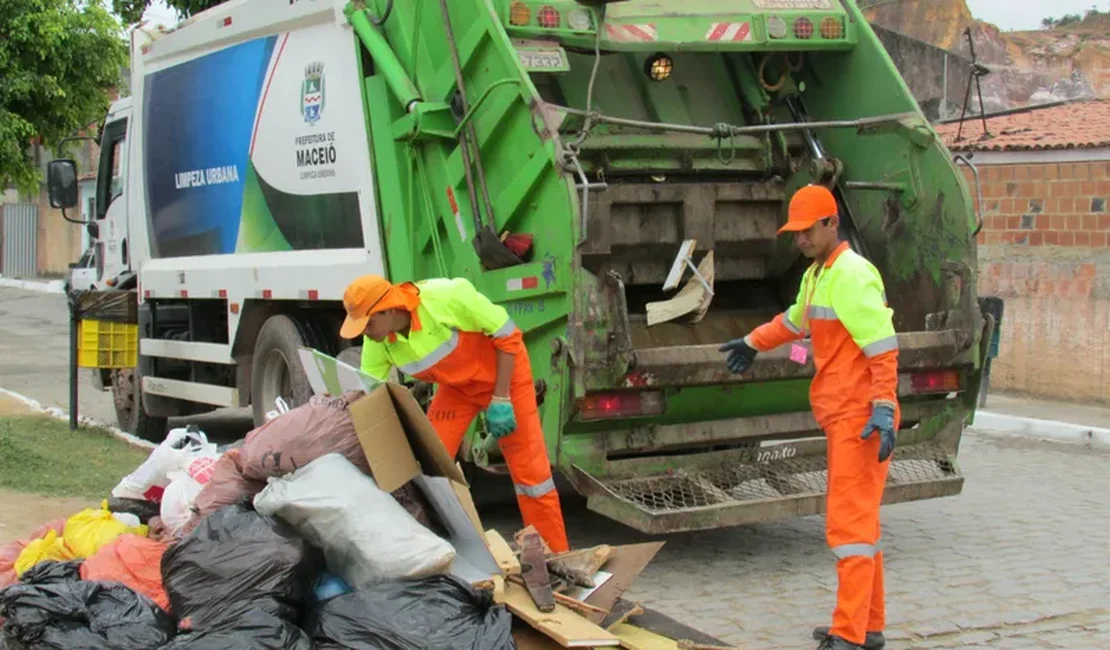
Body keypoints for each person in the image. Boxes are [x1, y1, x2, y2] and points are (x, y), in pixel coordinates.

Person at [719, 185, 899, 650]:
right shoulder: (818, 274)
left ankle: (848, 635)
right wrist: (753, 342)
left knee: (849, 529)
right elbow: (795, 321)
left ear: (831, 224)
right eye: (794, 232)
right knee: (864, 528)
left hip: (860, 417)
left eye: (806, 231)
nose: (799, 240)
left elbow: (883, 349)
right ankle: (867, 626)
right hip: (846, 414)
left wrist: (882, 407)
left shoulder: (852, 275)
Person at [338, 274, 570, 553]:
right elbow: (367, 393)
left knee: (532, 477)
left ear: (388, 309)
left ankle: (556, 557)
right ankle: (428, 551)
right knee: (429, 464)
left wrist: (500, 398)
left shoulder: (447, 298)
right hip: (457, 388)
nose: (365, 332)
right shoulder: (379, 340)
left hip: (504, 381)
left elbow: (508, 334)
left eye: (368, 323)